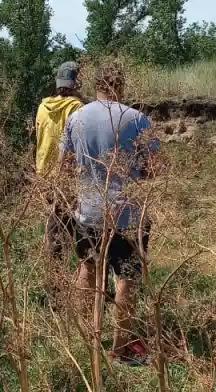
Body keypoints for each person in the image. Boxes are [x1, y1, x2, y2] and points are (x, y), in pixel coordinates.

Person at [59, 61, 159, 366]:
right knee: (125, 278)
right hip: (126, 215)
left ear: (94, 86)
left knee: (87, 269)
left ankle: (85, 338)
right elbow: (156, 166)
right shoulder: (137, 119)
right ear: (122, 86)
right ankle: (120, 349)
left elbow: (62, 166)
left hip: (87, 212)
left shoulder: (75, 118)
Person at [35, 62, 86, 262]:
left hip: (44, 175)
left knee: (56, 221)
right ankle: (62, 279)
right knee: (71, 226)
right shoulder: (77, 108)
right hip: (67, 175)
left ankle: (58, 274)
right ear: (76, 84)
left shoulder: (42, 107)